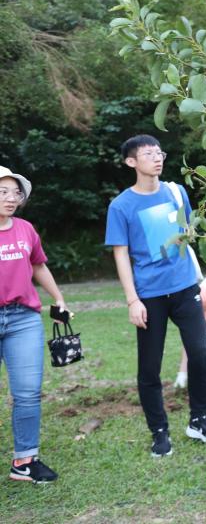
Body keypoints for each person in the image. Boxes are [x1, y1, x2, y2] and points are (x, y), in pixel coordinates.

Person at [105, 135, 206, 458]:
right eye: (148, 154)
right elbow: (121, 255)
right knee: (149, 368)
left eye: (159, 153)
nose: (157, 159)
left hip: (186, 288)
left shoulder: (176, 191)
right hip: (150, 296)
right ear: (132, 162)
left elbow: (188, 232)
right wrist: (133, 300)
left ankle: (199, 419)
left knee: (200, 353)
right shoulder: (121, 206)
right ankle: (159, 432)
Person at [0, 166, 67, 483]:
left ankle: (24, 462)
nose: (11, 198)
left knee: (27, 393)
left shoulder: (25, 229)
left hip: (23, 319)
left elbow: (38, 266)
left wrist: (58, 298)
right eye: (3, 191)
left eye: (15, 192)